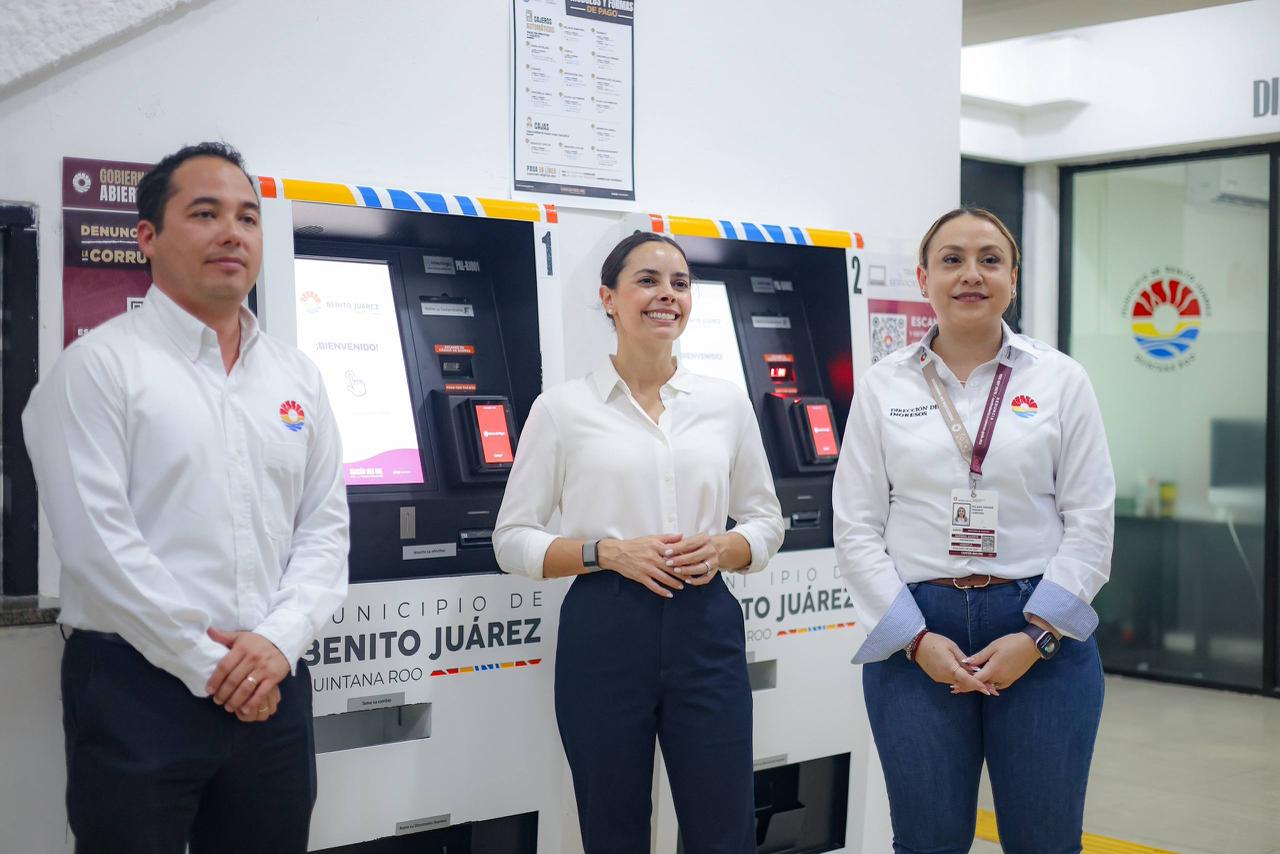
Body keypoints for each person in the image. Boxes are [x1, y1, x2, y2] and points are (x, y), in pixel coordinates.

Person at [23, 142, 349, 854]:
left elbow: (324, 531)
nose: (232, 232)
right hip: (138, 691)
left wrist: (278, 643)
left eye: (247, 218)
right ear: (148, 237)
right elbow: (98, 547)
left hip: (273, 685)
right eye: (205, 214)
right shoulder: (97, 369)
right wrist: (213, 667)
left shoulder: (297, 377)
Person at [832, 207, 1114, 854]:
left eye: (990, 260)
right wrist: (914, 640)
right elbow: (857, 527)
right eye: (952, 260)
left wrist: (1038, 637)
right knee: (927, 841)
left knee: (1045, 842)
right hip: (918, 631)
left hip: (1038, 625)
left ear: (1013, 277)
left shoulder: (1059, 379)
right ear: (923, 277)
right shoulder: (883, 385)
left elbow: (1091, 519)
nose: (971, 275)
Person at [493, 231, 785, 854]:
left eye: (680, 283)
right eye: (648, 281)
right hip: (605, 627)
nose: (667, 295)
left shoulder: (725, 404)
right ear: (609, 298)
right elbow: (511, 539)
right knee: (612, 828)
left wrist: (723, 548)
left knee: (724, 828)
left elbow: (766, 520)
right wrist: (604, 552)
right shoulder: (563, 408)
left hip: (705, 625)